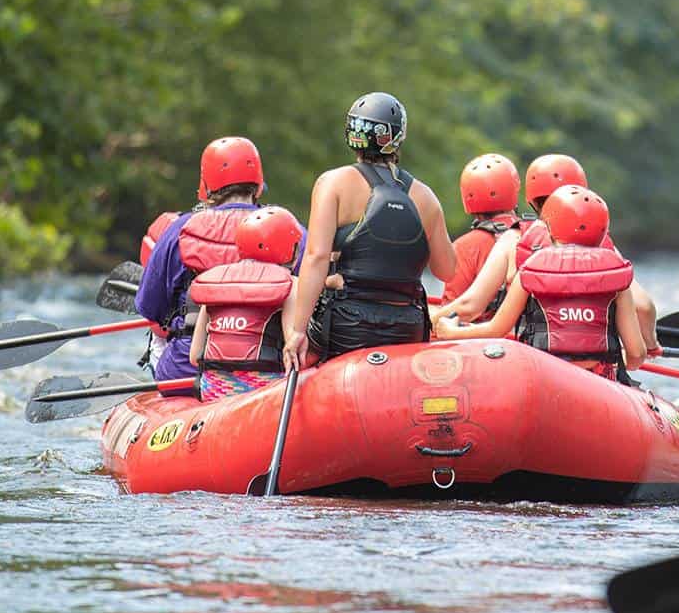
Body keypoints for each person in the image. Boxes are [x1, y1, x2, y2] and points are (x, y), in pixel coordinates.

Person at [280, 93, 457, 372]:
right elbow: (447, 271)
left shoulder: (332, 183)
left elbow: (316, 258)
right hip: (407, 327)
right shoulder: (426, 197)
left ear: (352, 133)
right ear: (398, 137)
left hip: (346, 326)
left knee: (291, 289)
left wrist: (298, 332)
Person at [440, 153, 661, 351]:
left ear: (532, 200)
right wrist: (650, 345)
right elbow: (642, 307)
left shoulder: (516, 238)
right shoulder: (603, 244)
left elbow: (470, 306)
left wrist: (429, 319)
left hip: (535, 356)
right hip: (597, 365)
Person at [433, 185, 648, 379]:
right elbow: (637, 353)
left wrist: (451, 331)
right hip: (600, 381)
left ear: (550, 226)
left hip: (544, 375)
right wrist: (620, 355)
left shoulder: (530, 269)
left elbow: (495, 330)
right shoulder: (617, 277)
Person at [136, 137, 271, 395]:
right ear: (258, 184)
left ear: (207, 186)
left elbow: (151, 308)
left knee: (158, 334)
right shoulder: (287, 228)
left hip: (188, 368)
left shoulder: (180, 230)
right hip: (268, 368)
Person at [187, 206, 306, 402]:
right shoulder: (291, 285)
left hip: (213, 389)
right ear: (290, 248)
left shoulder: (216, 282)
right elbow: (295, 354)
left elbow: (194, 356)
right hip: (265, 391)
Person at [434, 154, 529, 314]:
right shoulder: (535, 233)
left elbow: (452, 314)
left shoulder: (465, 246)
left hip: (486, 335)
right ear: (513, 189)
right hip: (529, 334)